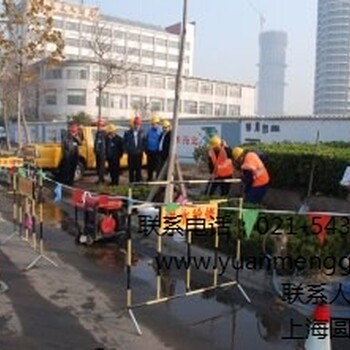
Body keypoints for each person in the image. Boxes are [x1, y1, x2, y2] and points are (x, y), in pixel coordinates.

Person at [123, 116, 146, 183]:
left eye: (138, 124)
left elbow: (145, 142)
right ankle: (131, 183)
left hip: (139, 153)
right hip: (131, 154)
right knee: (131, 170)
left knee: (138, 169)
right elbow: (124, 142)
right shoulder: (128, 133)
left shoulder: (142, 132)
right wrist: (127, 150)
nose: (137, 126)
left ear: (140, 125)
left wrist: (142, 149)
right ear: (133, 124)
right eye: (136, 124)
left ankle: (138, 183)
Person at [146, 115, 162, 181]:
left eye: (154, 124)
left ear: (158, 123)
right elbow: (147, 139)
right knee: (149, 167)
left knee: (157, 167)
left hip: (157, 152)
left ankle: (157, 179)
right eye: (152, 124)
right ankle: (149, 178)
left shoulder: (160, 131)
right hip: (149, 151)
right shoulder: (149, 130)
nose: (153, 125)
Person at [93, 118, 107, 184]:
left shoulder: (104, 133)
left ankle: (101, 179)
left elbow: (105, 143)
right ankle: (100, 178)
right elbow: (96, 142)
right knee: (98, 166)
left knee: (101, 167)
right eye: (98, 125)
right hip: (97, 152)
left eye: (100, 125)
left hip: (102, 152)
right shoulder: (97, 133)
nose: (99, 127)